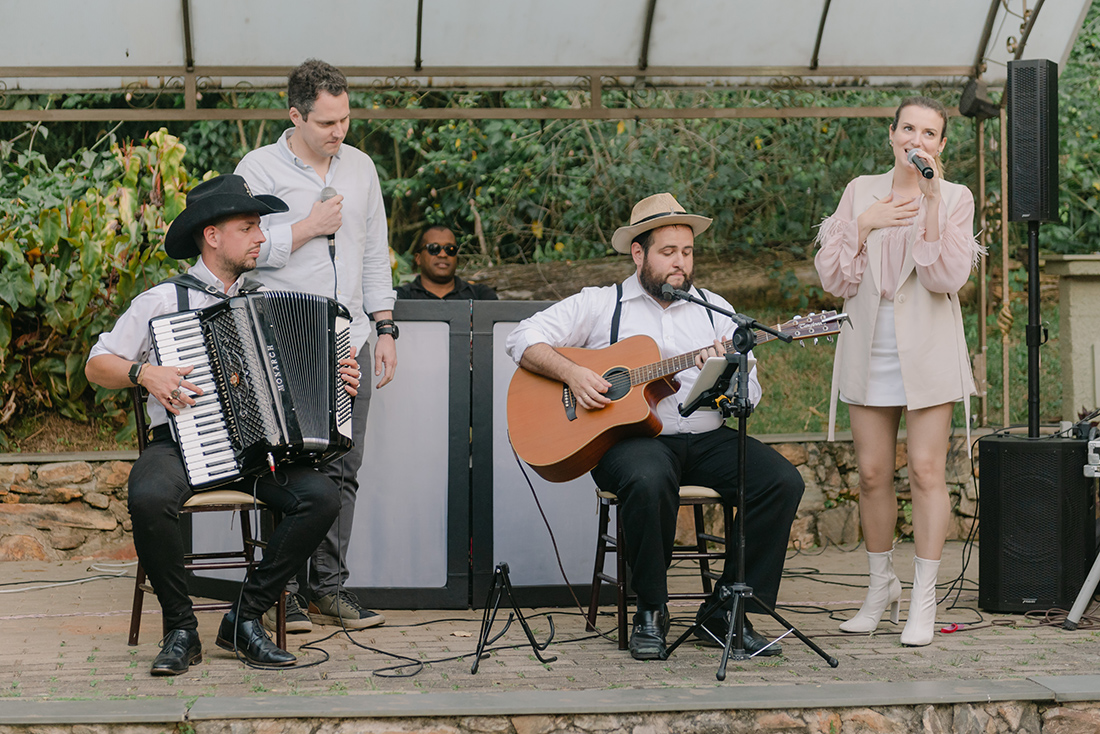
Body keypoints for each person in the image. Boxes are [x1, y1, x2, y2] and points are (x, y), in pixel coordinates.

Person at [504, 193, 804, 661]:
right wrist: (574, 374)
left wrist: (731, 379)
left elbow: (753, 393)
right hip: (630, 442)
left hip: (705, 436)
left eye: (687, 252)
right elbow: (520, 337)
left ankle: (725, 611)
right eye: (668, 252)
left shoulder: (715, 311)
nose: (680, 263)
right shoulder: (601, 304)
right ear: (639, 253)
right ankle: (651, 609)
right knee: (648, 477)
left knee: (782, 482)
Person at [85, 175, 361, 675]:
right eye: (249, 226)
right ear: (213, 236)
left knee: (321, 496)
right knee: (148, 495)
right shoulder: (163, 301)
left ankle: (244, 618)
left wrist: (339, 374)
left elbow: (308, 373)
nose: (261, 236)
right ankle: (180, 629)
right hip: (181, 446)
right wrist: (143, 372)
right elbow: (97, 364)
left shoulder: (270, 299)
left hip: (259, 452)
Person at [235, 59, 395, 634]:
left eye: (345, 119)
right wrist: (306, 226)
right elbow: (240, 250)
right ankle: (284, 595)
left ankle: (329, 587)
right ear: (295, 115)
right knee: (288, 468)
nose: (339, 132)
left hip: (348, 335)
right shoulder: (257, 168)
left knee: (344, 466)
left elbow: (375, 252)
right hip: (280, 339)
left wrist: (385, 327)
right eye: (326, 122)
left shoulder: (362, 167)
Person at [813, 96, 981, 647]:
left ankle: (924, 600)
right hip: (870, 343)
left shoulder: (955, 197)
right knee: (871, 474)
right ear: (892, 135)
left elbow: (944, 277)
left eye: (929, 132)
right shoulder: (861, 191)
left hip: (927, 347)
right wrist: (864, 225)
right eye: (908, 128)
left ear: (940, 144)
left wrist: (931, 201)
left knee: (929, 472)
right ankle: (880, 589)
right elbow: (834, 280)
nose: (917, 139)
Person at [395, 225, 498, 300]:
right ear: (418, 258)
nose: (443, 254)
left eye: (450, 249)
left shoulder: (480, 296)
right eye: (434, 248)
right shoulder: (401, 298)